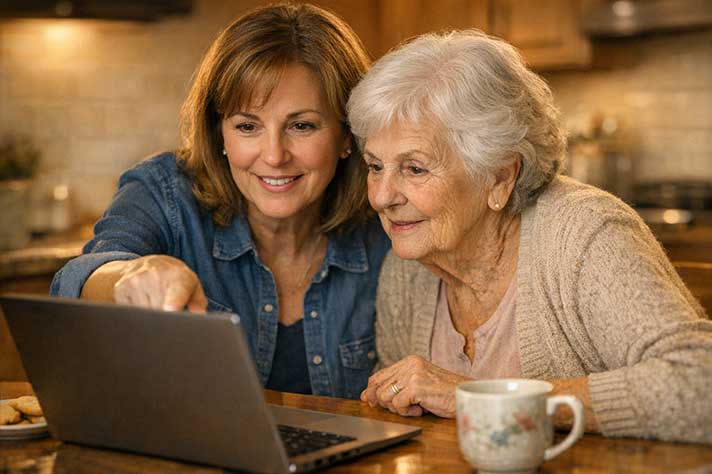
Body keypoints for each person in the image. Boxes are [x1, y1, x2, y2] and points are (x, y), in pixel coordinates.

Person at [346, 29, 712, 443]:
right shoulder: (406, 270)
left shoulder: (584, 235)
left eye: (414, 169)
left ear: (500, 178)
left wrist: (479, 398)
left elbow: (700, 386)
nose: (380, 197)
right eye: (375, 166)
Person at [50, 3, 389, 399]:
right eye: (248, 126)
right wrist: (129, 275)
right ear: (220, 134)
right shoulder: (164, 192)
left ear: (347, 135)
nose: (275, 154)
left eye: (302, 125)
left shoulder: (385, 217)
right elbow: (78, 278)